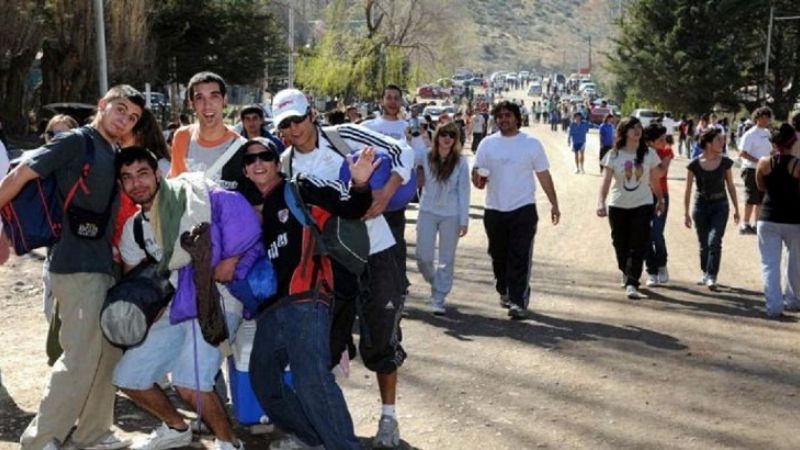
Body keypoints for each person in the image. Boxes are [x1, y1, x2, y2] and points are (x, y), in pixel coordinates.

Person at [0, 85, 145, 450]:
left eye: (132, 117)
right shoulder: (75, 142)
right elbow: (20, 176)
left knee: (107, 351)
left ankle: (93, 433)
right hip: (74, 266)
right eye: (120, 109)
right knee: (80, 357)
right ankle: (40, 440)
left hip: (104, 266)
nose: (124, 119)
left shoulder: (111, 150)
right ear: (102, 105)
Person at [271, 88, 414, 449]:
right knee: (323, 349)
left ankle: (388, 418)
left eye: (298, 119)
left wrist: (385, 194)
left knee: (381, 340)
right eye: (286, 124)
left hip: (379, 251)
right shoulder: (284, 166)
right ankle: (321, 430)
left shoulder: (343, 136)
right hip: (332, 264)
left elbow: (403, 151)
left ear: (312, 114)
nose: (295, 128)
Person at [238, 138, 374, 450]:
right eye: (251, 160)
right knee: (263, 380)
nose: (258, 163)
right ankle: (317, 440)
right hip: (272, 309)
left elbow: (352, 206)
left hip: (307, 297)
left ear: (277, 162)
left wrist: (360, 182)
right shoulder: (254, 208)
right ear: (245, 170)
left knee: (311, 379)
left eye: (265, 156)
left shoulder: (300, 188)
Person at [113, 147, 248, 450]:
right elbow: (137, 284)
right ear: (122, 186)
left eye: (143, 173)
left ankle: (229, 442)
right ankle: (176, 427)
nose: (137, 183)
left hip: (216, 299)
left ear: (158, 173)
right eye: (128, 178)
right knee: (128, 376)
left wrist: (232, 262)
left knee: (190, 383)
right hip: (175, 307)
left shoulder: (190, 200)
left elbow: (239, 226)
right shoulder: (134, 228)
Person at [472, 100, 561, 319]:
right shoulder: (487, 144)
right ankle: (504, 289)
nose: (504, 119)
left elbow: (543, 175)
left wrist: (554, 203)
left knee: (520, 256)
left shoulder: (531, 143)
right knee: (498, 255)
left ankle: (518, 300)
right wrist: (478, 178)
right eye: (500, 116)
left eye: (508, 115)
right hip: (494, 209)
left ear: (516, 118)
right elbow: (477, 176)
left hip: (523, 209)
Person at [597, 117, 665, 299]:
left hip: (642, 203)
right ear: (624, 131)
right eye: (632, 127)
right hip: (618, 204)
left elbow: (654, 179)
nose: (637, 130)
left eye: (639, 127)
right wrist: (600, 202)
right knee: (620, 243)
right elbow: (605, 181)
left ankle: (632, 282)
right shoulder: (614, 154)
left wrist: (660, 199)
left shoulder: (649, 153)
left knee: (639, 242)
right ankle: (626, 271)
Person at [416, 122, 470, 315]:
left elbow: (464, 191)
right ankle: (436, 282)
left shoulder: (461, 162)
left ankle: (438, 298)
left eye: (452, 136)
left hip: (451, 214)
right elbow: (410, 155)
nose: (447, 138)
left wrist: (464, 220)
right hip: (428, 211)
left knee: (446, 259)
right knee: (423, 257)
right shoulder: (425, 155)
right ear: (437, 136)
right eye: (443, 134)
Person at [168, 71, 246, 189]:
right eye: (199, 98)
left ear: (224, 100)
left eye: (214, 96)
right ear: (191, 104)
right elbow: (174, 186)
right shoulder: (182, 137)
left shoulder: (242, 146)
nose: (207, 105)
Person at [684, 128, 740, 289]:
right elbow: (688, 189)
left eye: (723, 140)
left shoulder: (725, 162)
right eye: (719, 140)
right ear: (708, 144)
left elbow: (730, 185)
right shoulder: (694, 164)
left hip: (720, 205)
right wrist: (686, 213)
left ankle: (711, 276)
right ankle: (705, 272)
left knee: (714, 241)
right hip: (700, 206)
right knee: (703, 243)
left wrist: (736, 208)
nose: (723, 143)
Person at [755, 124, 800, 318]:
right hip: (794, 219)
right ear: (794, 142)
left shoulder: (764, 163)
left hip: (768, 217)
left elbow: (761, 186)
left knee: (769, 264)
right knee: (795, 263)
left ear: (773, 143)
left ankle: (774, 306)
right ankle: (793, 300)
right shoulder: (798, 165)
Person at [643, 123, 674, 286]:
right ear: (650, 141)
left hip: (661, 195)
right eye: (660, 139)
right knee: (645, 234)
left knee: (656, 232)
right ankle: (651, 270)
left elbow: (661, 172)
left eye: (664, 138)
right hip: (643, 196)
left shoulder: (667, 151)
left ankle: (662, 265)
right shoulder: (642, 152)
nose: (664, 141)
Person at [738, 107, 773, 235]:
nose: (765, 120)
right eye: (762, 117)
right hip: (751, 169)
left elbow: (770, 150)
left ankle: (757, 224)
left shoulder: (767, 133)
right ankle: (745, 224)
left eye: (767, 117)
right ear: (756, 118)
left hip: (764, 170)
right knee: (751, 198)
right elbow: (742, 153)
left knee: (761, 198)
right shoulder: (750, 134)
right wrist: (758, 161)